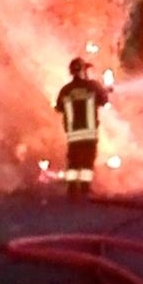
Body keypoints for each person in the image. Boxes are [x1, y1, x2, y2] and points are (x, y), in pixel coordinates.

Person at [54, 57, 110, 198]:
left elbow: (59, 108)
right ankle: (85, 189)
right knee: (87, 160)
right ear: (83, 71)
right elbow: (104, 101)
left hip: (73, 134)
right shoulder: (93, 86)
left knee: (73, 161)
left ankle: (72, 189)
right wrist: (106, 91)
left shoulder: (65, 90)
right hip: (89, 132)